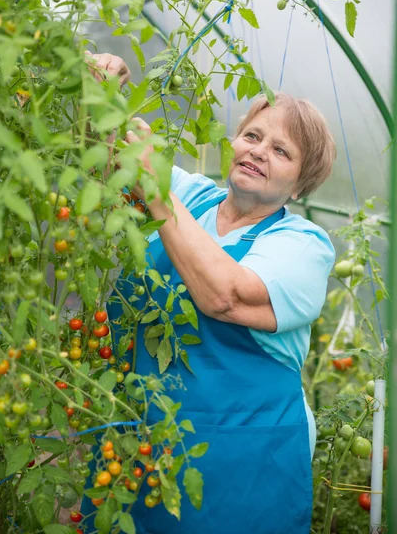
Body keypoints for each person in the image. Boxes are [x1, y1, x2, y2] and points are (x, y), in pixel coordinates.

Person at [83, 54, 336, 534]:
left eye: (282, 151)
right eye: (253, 137)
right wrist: (99, 92)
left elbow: (226, 296)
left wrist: (154, 188)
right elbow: (107, 158)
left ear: (301, 185)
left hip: (241, 467)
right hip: (138, 445)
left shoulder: (303, 246)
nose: (259, 151)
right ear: (234, 143)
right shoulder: (192, 195)